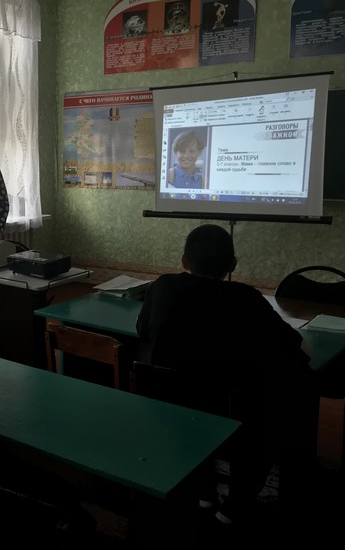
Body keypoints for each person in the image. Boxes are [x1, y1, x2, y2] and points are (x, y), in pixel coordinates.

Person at [136, 224, 318, 529]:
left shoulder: (161, 287)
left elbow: (143, 331)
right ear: (233, 264)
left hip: (170, 410)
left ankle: (204, 492)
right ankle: (235, 506)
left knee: (202, 408)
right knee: (282, 397)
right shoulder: (245, 298)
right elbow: (291, 346)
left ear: (183, 261)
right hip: (232, 416)